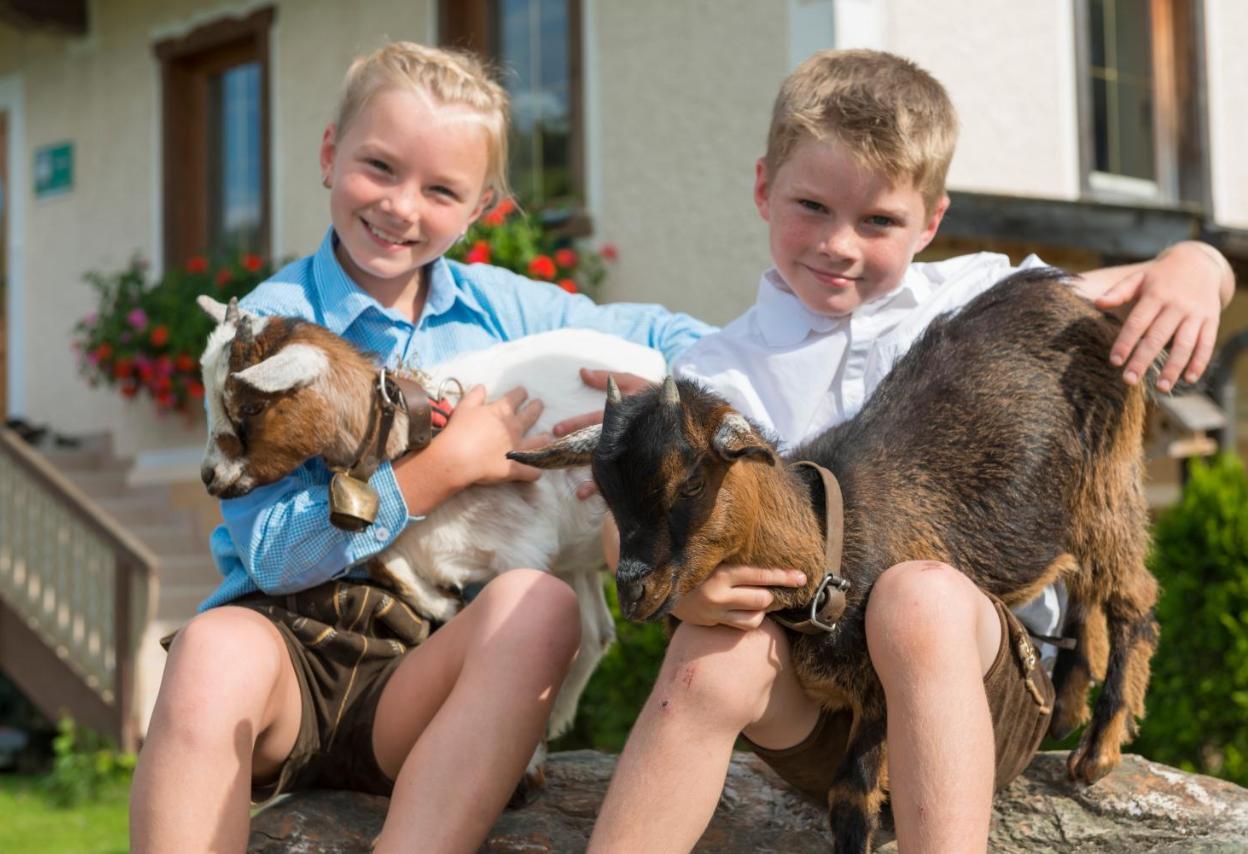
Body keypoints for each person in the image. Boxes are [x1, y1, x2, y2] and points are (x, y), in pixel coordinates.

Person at [557, 49, 1236, 853]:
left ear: (932, 220)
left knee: (917, 598)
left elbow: (1150, 285)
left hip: (978, 688)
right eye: (812, 205)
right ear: (763, 188)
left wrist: (1201, 265)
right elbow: (632, 519)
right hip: (816, 707)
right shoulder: (717, 375)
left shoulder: (976, 297)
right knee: (711, 657)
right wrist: (681, 598)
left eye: (878, 221)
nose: (839, 244)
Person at [128, 41, 712, 854]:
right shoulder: (265, 329)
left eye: (441, 190)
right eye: (379, 167)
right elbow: (269, 556)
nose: (402, 208)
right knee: (208, 650)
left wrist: (653, 397)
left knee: (539, 605)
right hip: (285, 659)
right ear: (330, 155)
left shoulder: (505, 310)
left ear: (480, 208)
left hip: (425, 675)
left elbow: (676, 336)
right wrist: (439, 470)